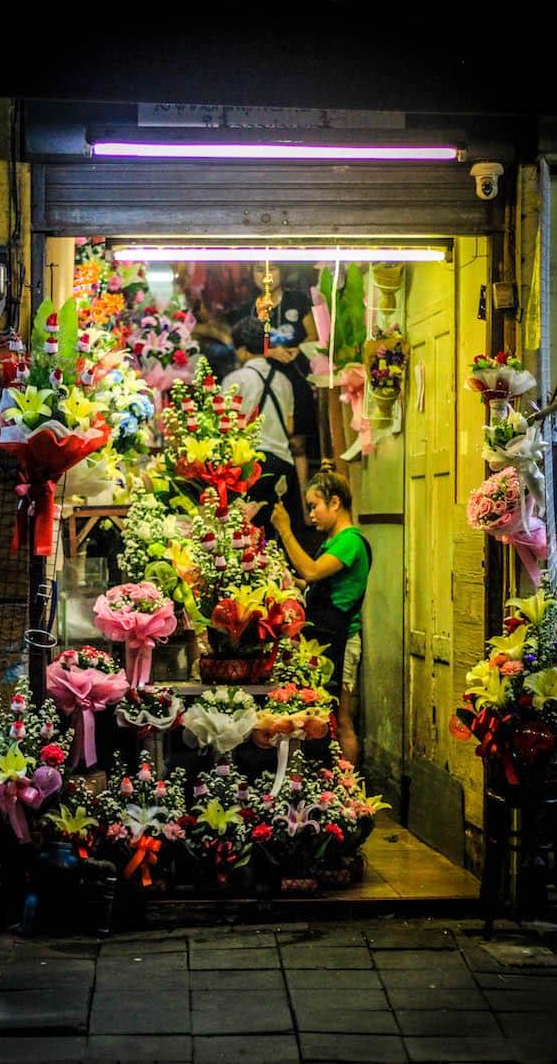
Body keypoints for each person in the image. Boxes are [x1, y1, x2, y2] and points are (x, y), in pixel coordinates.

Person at [271, 462, 372, 767]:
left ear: (335, 502)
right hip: (324, 637)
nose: (311, 514)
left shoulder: (351, 541)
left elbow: (312, 572)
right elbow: (312, 581)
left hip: (342, 639)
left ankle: (351, 795)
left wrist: (286, 532)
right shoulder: (332, 542)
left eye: (314, 506)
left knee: (341, 720)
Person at [235, 263, 320, 522]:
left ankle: (305, 510)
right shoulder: (248, 309)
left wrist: (296, 350)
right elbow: (241, 350)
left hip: (295, 378)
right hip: (263, 380)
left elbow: (314, 336)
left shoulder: (298, 301)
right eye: (259, 270)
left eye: (272, 270)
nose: (266, 276)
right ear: (252, 275)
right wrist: (270, 352)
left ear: (282, 272)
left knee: (298, 444)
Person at [221, 316, 303, 538]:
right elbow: (290, 427)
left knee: (246, 536)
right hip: (282, 465)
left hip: (248, 468)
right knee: (278, 535)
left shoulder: (235, 380)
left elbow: (223, 427)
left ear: (242, 349)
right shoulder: (284, 381)